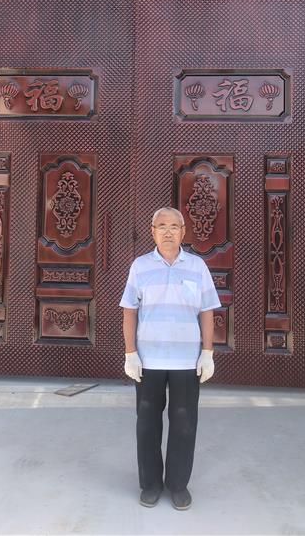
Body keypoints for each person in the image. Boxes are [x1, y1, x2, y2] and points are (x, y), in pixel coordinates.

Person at [120, 207, 221, 510]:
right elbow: (129, 311)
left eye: (174, 226)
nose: (167, 231)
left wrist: (207, 352)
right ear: (152, 232)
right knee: (147, 423)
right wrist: (130, 353)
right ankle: (151, 484)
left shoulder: (197, 267)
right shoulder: (139, 266)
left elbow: (207, 311)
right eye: (161, 226)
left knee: (184, 423)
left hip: (186, 361)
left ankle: (178, 485)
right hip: (148, 361)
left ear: (183, 232)